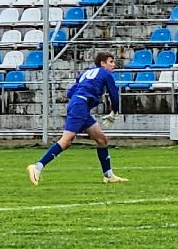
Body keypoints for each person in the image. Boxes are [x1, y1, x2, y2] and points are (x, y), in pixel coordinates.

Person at [28, 51, 128, 185]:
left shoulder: (86, 73)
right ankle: (37, 167)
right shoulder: (106, 73)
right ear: (103, 63)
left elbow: (70, 92)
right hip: (81, 106)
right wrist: (115, 112)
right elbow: (114, 95)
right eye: (111, 62)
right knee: (66, 141)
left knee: (101, 139)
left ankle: (108, 175)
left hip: (79, 104)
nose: (114, 65)